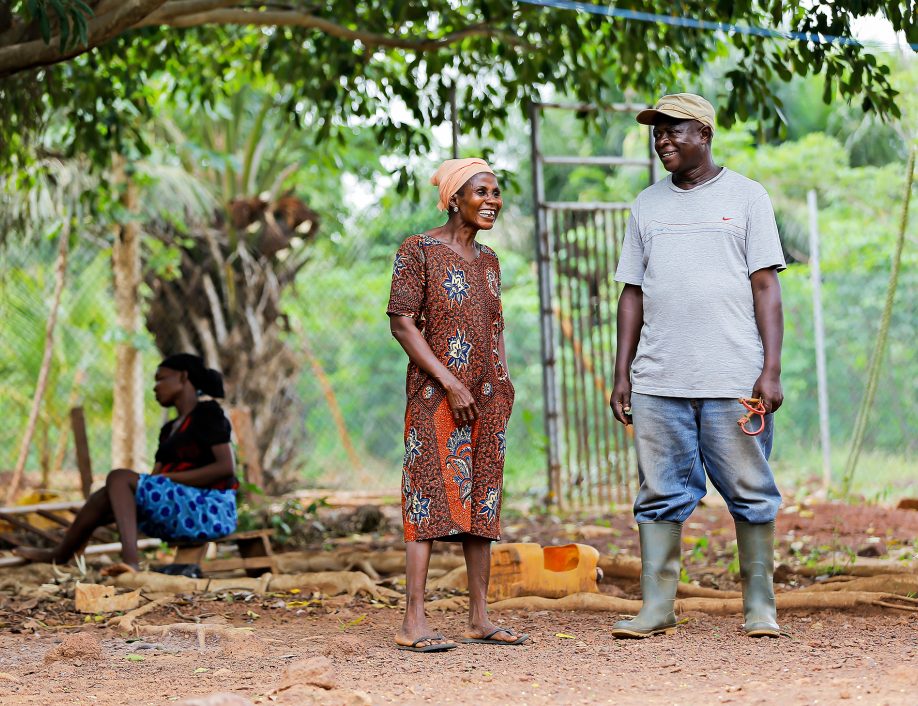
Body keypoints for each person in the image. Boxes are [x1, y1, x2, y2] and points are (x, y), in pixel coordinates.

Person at [609, 93, 785, 639]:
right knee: (659, 494)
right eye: (657, 132)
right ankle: (657, 607)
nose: (662, 140)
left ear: (703, 134)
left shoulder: (747, 197)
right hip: (660, 380)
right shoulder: (647, 205)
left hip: (733, 375)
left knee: (750, 490)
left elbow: (766, 287)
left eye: (673, 131)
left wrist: (771, 370)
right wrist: (623, 374)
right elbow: (631, 294)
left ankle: (760, 606)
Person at [387, 158, 528, 652]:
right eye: (481, 192)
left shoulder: (489, 261)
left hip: (487, 396)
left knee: (483, 501)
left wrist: (503, 383)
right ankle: (413, 622)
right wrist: (450, 383)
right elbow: (402, 323)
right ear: (454, 199)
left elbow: (495, 328)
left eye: (496, 192)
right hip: (435, 395)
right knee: (426, 495)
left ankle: (479, 618)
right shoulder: (418, 251)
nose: (492, 200)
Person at [14, 354, 238, 574]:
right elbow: (150, 486)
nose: (155, 387)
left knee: (119, 477)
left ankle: (131, 562)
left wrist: (166, 480)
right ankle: (61, 554)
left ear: (183, 377)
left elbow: (226, 468)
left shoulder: (208, 414)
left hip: (211, 509)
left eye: (161, 379)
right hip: (178, 507)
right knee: (105, 494)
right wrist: (106, 510)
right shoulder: (168, 430)